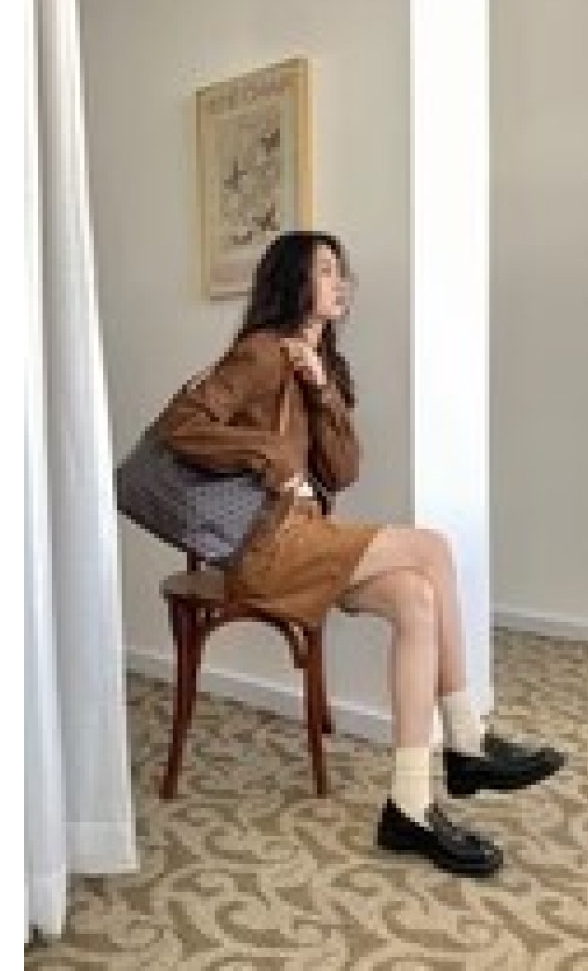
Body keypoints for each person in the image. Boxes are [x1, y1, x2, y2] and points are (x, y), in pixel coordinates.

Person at [153, 230, 565, 877]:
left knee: (416, 598)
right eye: (325, 270)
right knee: (432, 547)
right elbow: (180, 424)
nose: (340, 282)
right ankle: (465, 739)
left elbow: (342, 472)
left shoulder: (319, 364)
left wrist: (321, 389)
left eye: (341, 271)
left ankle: (408, 804)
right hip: (268, 546)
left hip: (308, 538)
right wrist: (265, 453)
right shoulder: (260, 352)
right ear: (293, 281)